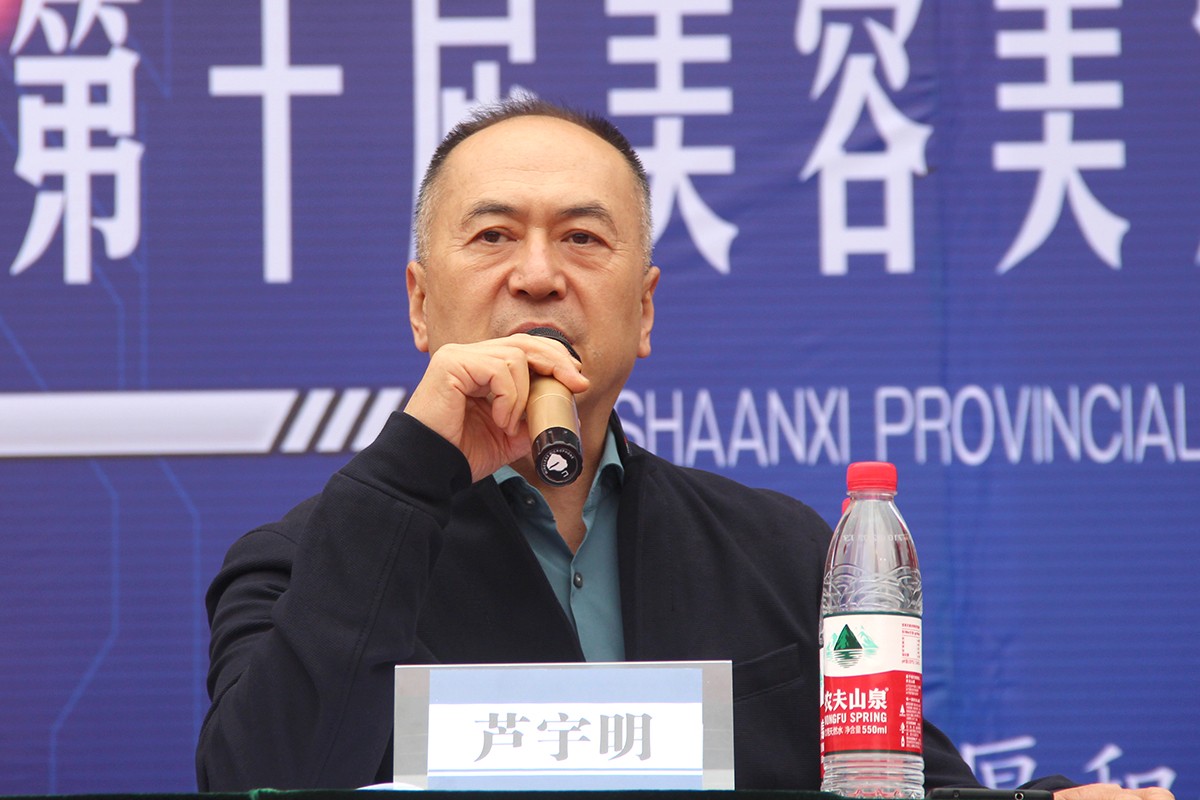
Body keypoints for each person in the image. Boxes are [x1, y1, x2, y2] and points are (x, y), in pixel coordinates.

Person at [196, 99, 1172, 800]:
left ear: (645, 309)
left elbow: (901, 785)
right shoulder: (300, 563)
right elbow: (262, 778)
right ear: (420, 302)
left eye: (583, 239)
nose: (537, 275)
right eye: (492, 236)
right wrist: (413, 463)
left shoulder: (779, 549)